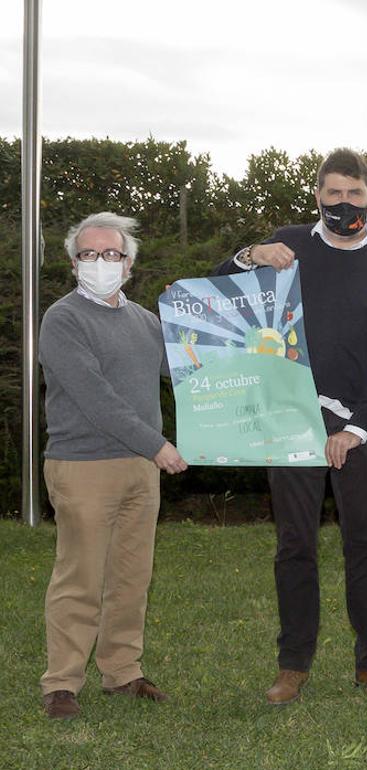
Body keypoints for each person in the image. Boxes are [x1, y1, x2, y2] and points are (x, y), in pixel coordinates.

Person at [215, 148, 367, 704]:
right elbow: (214, 292)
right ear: (318, 197)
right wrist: (249, 253)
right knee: (295, 544)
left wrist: (356, 428)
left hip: (363, 423)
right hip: (290, 419)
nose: (343, 203)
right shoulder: (288, 246)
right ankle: (292, 664)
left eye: (353, 193)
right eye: (333, 194)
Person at [38, 212, 188, 720]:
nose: (99, 262)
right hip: (84, 466)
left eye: (110, 254)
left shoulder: (145, 321)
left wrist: (200, 317)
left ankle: (123, 672)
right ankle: (61, 684)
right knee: (79, 577)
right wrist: (159, 446)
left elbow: (191, 369)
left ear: (129, 265)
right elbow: (96, 399)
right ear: (73, 263)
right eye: (88, 254)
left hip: (139, 468)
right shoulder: (62, 320)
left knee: (131, 576)